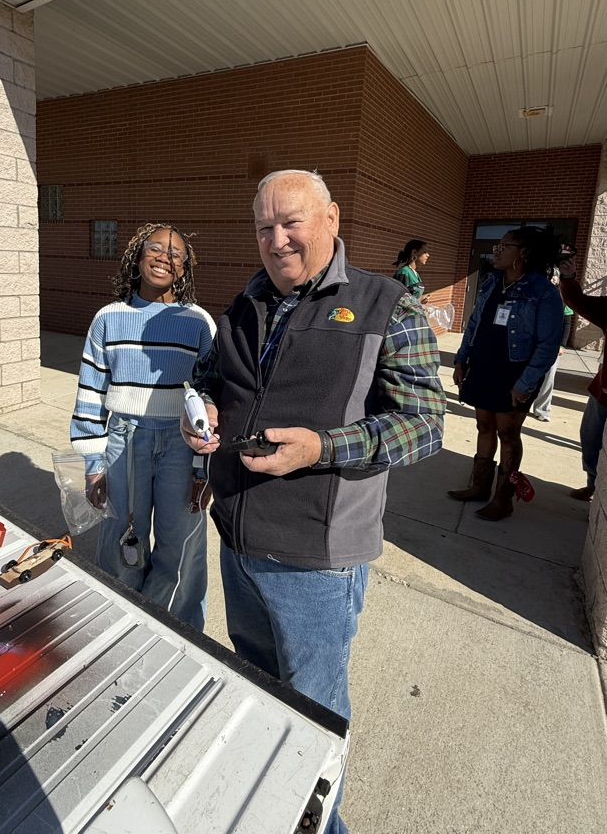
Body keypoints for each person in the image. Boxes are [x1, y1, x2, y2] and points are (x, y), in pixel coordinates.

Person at [182, 170, 444, 834]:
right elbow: (213, 378)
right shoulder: (245, 301)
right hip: (238, 539)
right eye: (264, 227)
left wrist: (320, 449)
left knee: (313, 712)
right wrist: (203, 407)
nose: (277, 239)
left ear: (330, 218)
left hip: (316, 559)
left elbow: (423, 425)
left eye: (291, 221)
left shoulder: (388, 304)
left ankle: (318, 826)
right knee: (259, 691)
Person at [70, 223, 215, 630]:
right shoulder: (108, 319)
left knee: (180, 541)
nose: (163, 257)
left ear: (184, 269)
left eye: (175, 254)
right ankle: (121, 621)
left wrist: (204, 473)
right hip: (124, 440)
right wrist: (94, 464)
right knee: (121, 535)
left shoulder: (199, 323)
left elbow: (210, 398)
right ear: (137, 256)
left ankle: (177, 628)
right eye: (154, 248)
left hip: (180, 443)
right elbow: (90, 393)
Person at [448, 228, 563, 519]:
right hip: (483, 367)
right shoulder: (491, 282)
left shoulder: (543, 292)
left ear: (523, 253)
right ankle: (479, 486)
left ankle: (503, 497)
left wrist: (526, 383)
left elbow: (549, 345)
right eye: (498, 244)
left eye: (505, 245)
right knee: (484, 426)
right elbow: (473, 324)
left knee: (508, 433)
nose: (497, 250)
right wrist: (461, 360)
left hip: (515, 373)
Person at [558, 251, 607, 500]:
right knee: (590, 439)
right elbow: (579, 302)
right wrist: (569, 277)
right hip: (603, 392)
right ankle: (593, 484)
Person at [530, 269, 573, 422]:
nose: (552, 279)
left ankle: (542, 410)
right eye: (549, 276)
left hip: (553, 345)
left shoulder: (563, 297)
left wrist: (562, 345)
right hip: (532, 343)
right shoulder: (533, 292)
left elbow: (567, 322)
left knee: (548, 378)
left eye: (554, 276)